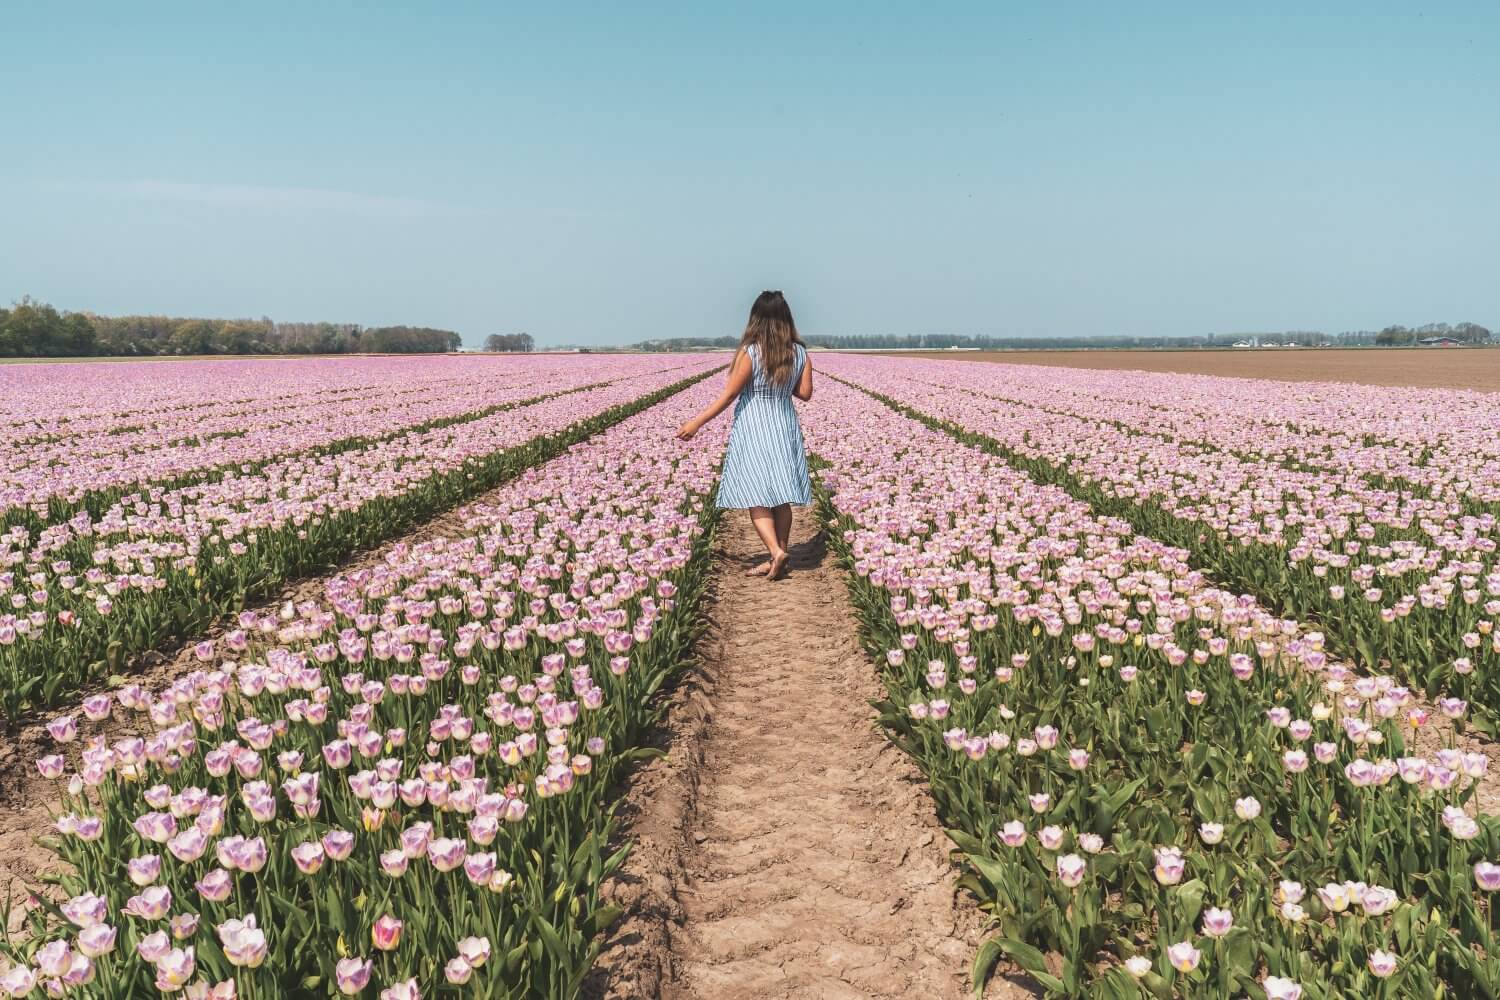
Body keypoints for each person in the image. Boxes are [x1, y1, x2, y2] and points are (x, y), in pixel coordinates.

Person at [676, 290, 813, 579]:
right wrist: (781, 382)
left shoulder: (751, 352)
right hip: (784, 422)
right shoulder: (799, 352)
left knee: (756, 492)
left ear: (756, 319)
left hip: (755, 424)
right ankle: (779, 554)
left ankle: (775, 552)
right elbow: (804, 393)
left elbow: (729, 396)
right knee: (782, 493)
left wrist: (696, 423)